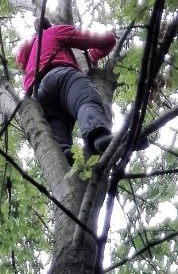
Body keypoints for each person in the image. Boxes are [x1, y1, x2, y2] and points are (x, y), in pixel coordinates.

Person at [16, 17, 116, 164]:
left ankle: (64, 154)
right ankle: (98, 133)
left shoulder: (27, 49)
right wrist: (92, 56)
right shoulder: (53, 32)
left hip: (37, 93)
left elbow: (20, 60)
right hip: (61, 75)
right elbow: (106, 40)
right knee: (85, 99)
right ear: (49, 25)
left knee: (57, 121)